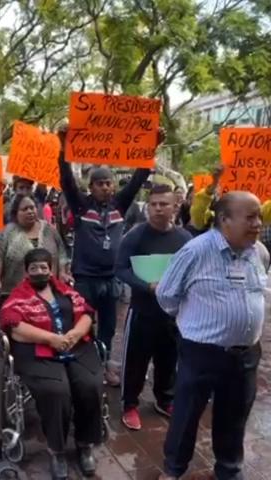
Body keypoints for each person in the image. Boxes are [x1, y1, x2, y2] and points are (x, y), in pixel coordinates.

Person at [156, 191, 268, 480]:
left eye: (259, 216)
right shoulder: (195, 251)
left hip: (246, 355)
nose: (258, 223)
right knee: (186, 415)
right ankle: (173, 470)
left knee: (235, 416)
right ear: (224, 220)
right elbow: (167, 295)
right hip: (201, 353)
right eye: (250, 217)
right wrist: (194, 324)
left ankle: (228, 470)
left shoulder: (259, 252)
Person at [58, 127, 164, 386]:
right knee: (83, 323)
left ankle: (104, 363)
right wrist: (64, 146)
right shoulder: (81, 206)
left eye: (108, 183)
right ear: (91, 187)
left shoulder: (120, 205)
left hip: (112, 279)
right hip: (85, 279)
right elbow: (66, 181)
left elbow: (139, 177)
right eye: (100, 183)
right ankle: (85, 364)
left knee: (108, 326)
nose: (105, 187)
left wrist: (152, 145)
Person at [0, 248, 103, 480]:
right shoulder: (18, 296)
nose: (39, 272)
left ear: (51, 269)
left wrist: (75, 334)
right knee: (56, 392)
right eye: (34, 268)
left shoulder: (66, 290)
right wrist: (52, 339)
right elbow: (13, 325)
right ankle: (56, 450)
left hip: (74, 345)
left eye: (44, 268)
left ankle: (85, 443)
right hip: (37, 350)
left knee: (90, 385)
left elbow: (86, 312)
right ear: (26, 272)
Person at [115, 185, 192, 431]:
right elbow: (120, 269)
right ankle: (129, 405)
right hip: (142, 311)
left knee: (168, 359)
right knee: (136, 361)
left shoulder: (184, 239)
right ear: (147, 206)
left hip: (172, 314)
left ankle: (164, 399)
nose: (158, 208)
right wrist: (146, 285)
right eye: (153, 204)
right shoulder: (135, 236)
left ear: (175, 207)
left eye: (164, 204)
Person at [0, 194, 71, 300]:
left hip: (49, 294)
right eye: (25, 209)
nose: (30, 211)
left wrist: (63, 273)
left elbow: (62, 255)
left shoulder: (49, 230)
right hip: (16, 297)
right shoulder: (6, 233)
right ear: (15, 213)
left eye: (32, 208)